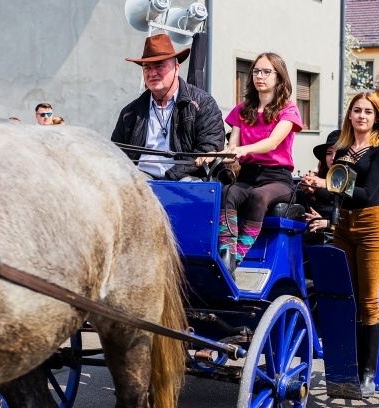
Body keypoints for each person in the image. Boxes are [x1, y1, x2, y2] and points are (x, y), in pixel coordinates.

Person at [332, 91, 379, 398]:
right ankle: (349, 367)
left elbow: (369, 192)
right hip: (342, 227)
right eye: (356, 110)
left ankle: (369, 374)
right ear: (350, 115)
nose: (361, 116)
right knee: (347, 299)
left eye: (368, 112)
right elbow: (332, 195)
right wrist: (314, 188)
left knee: (369, 300)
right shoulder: (342, 149)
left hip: (370, 226)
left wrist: (331, 185)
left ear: (376, 117)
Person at [219, 52, 302, 272]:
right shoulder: (241, 110)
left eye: (266, 72)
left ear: (279, 77)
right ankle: (226, 252)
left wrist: (242, 150)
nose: (260, 76)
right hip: (248, 175)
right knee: (227, 192)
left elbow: (272, 143)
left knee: (258, 196)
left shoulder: (289, 110)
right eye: (256, 71)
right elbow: (231, 150)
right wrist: (210, 156)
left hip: (278, 179)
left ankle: (237, 257)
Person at [111, 33, 225, 180]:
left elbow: (208, 147)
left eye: (159, 66)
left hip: (185, 178)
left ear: (177, 68)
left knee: (189, 187)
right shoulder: (130, 113)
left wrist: (170, 178)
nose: (152, 73)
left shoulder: (203, 104)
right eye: (147, 67)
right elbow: (116, 153)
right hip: (141, 181)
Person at [301, 129, 340, 234]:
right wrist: (306, 187)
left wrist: (326, 223)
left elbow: (354, 221)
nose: (333, 158)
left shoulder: (354, 183)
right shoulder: (316, 179)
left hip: (337, 239)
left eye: (338, 152)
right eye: (329, 153)